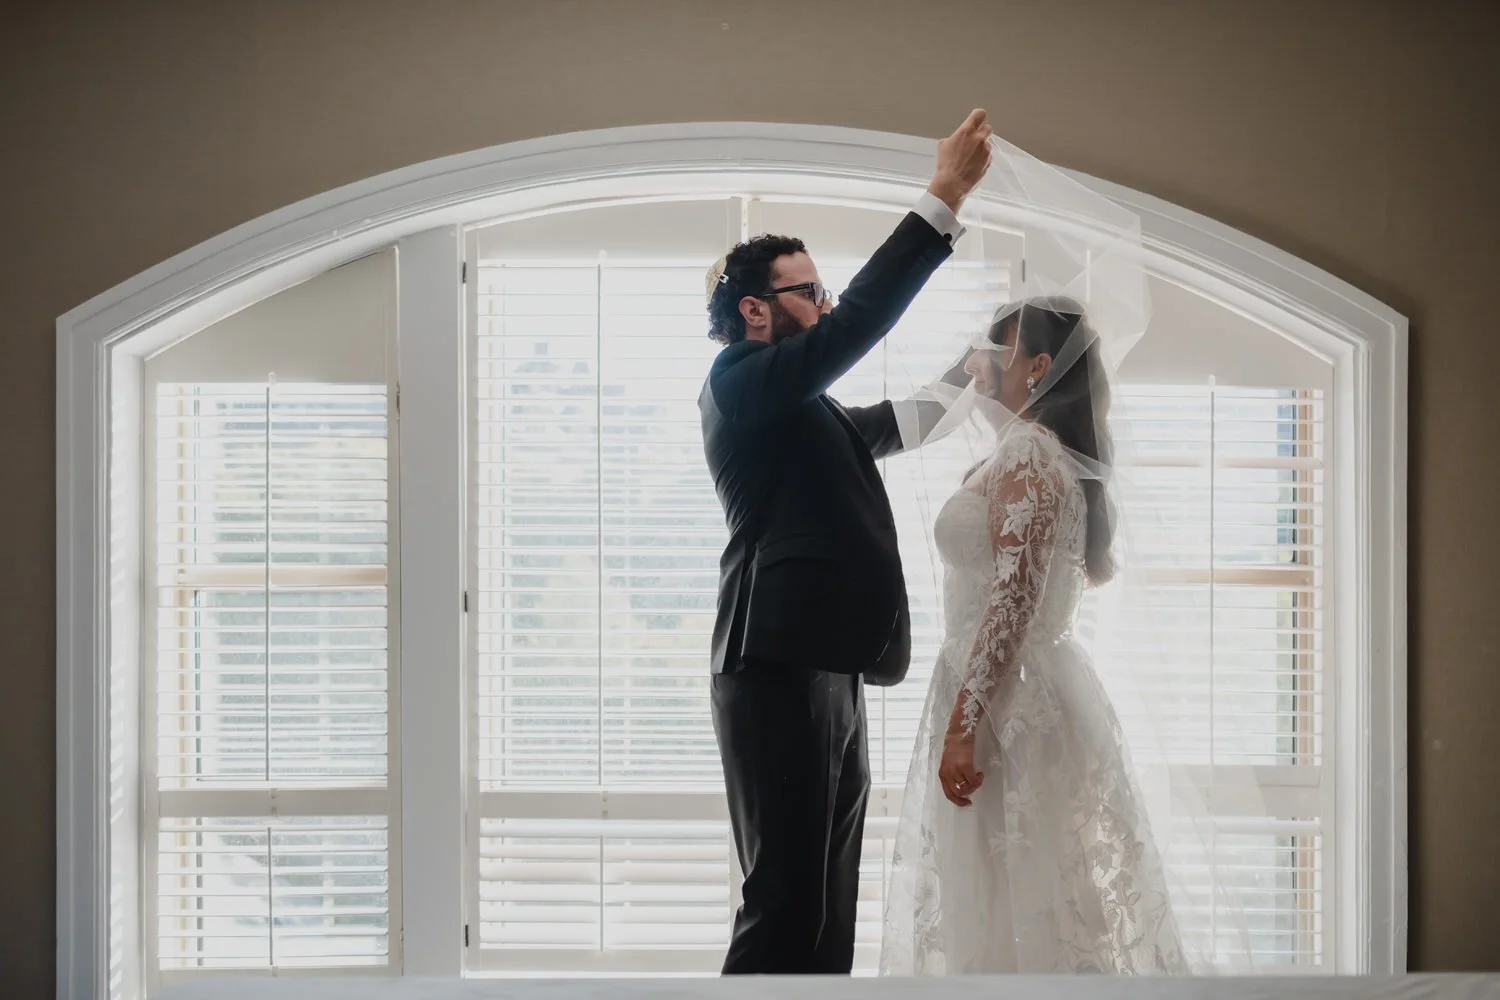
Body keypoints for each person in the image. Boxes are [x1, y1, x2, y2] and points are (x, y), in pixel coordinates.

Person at [698, 109, 993, 975]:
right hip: (771, 666)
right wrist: (940, 200)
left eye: (825, 290)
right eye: (809, 292)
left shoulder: (805, 407)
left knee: (829, 907)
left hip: (830, 667)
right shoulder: (740, 383)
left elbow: (896, 423)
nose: (825, 304)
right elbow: (853, 329)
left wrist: (974, 373)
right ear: (756, 309)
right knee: (784, 902)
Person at [879, 297, 1189, 975]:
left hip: (1004, 700)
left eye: (1002, 348)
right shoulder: (1021, 451)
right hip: (1000, 682)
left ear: (1040, 366)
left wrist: (966, 722)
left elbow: (1014, 600)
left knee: (1022, 884)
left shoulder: (1028, 455)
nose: (984, 359)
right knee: (1008, 888)